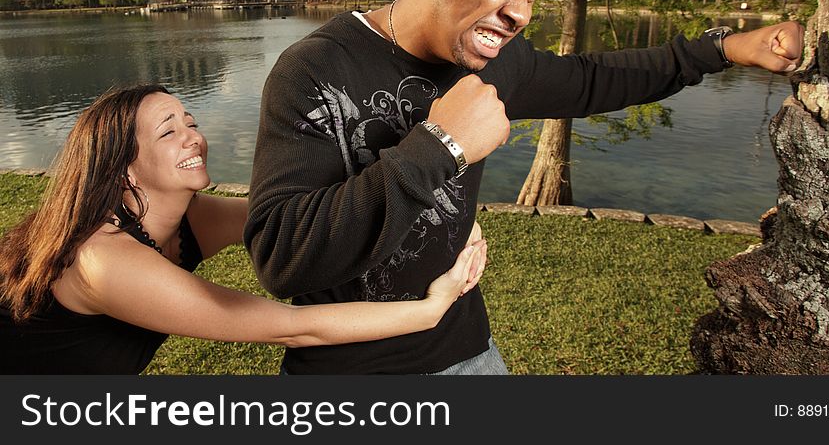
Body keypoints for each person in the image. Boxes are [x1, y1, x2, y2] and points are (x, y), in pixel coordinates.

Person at [244, 0, 805, 375]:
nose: (522, 12)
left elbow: (594, 79)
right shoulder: (314, 69)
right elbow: (282, 259)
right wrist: (442, 145)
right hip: (348, 378)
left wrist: (724, 48)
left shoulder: (497, 65)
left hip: (469, 353)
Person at [0, 84, 486, 374]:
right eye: (168, 132)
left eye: (189, 121)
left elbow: (313, 214)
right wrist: (432, 309)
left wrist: (441, 207)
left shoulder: (187, 217)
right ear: (123, 168)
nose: (193, 136)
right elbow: (295, 329)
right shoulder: (105, 260)